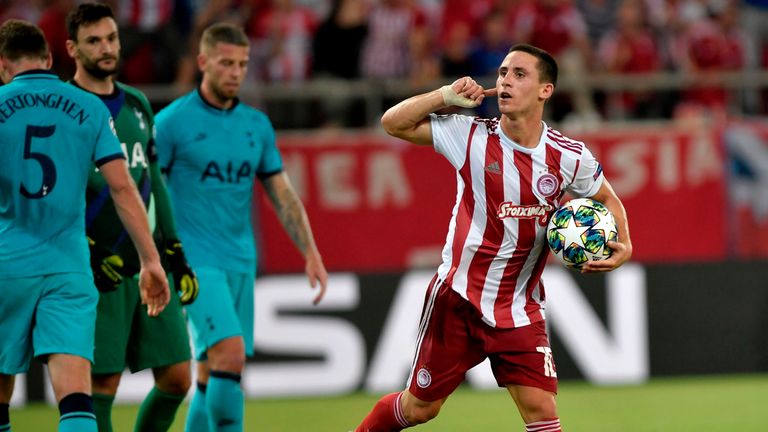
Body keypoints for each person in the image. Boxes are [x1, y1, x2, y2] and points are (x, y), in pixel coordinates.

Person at [353, 44, 633, 432]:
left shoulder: (568, 156)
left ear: (544, 91)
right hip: (458, 299)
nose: (505, 81)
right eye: (502, 73)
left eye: (519, 74)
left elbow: (606, 198)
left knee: (540, 410)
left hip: (519, 307)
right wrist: (444, 96)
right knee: (420, 410)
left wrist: (625, 245)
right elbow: (392, 122)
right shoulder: (469, 135)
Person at [154, 22, 329, 431]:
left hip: (239, 259)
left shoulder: (256, 125)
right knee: (230, 355)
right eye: (226, 63)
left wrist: (311, 252)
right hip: (194, 261)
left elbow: (282, 194)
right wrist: (156, 256)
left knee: (207, 371)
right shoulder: (171, 123)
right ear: (203, 62)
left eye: (243, 64)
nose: (236, 72)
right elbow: (149, 196)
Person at [0, 19, 169, 432]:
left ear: (3, 65)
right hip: (69, 269)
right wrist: (151, 260)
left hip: (7, 264)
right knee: (76, 399)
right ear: (51, 58)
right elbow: (123, 188)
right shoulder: (89, 108)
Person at [64, 3, 199, 431]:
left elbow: (153, 178)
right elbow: (61, 193)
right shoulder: (66, 109)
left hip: (148, 261)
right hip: (98, 265)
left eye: (111, 38)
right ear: (71, 48)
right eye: (93, 41)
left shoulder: (137, 103)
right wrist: (87, 250)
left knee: (178, 376)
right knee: (101, 383)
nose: (105, 49)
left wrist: (173, 248)